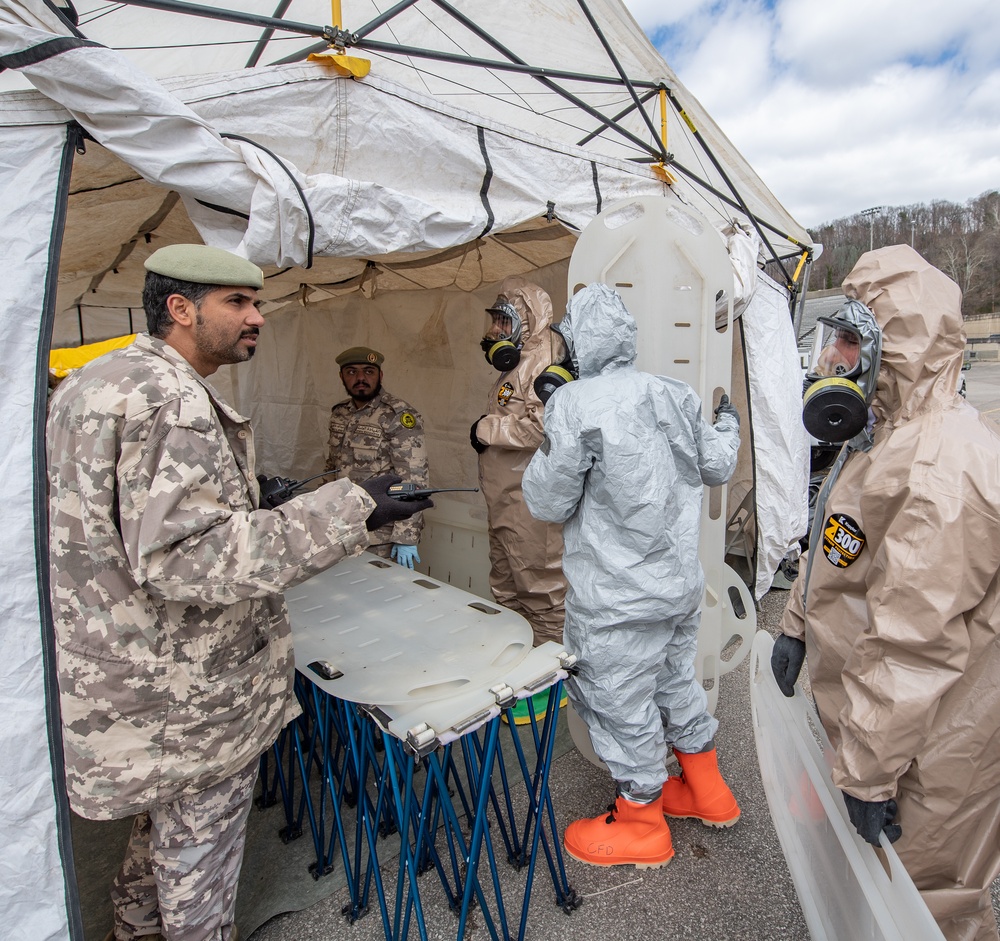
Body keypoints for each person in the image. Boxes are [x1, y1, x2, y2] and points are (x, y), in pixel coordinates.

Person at [46, 244, 428, 941]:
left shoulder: (96, 384)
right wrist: (348, 509)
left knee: (152, 847)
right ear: (181, 308)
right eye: (237, 303)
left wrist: (255, 501)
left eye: (256, 302)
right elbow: (191, 558)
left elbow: (122, 529)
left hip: (129, 686)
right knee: (198, 877)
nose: (257, 316)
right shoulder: (174, 403)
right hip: (187, 700)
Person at [771, 244, 1000, 941]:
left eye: (846, 341)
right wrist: (797, 621)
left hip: (935, 743)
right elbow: (839, 548)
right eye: (831, 339)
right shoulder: (884, 436)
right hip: (888, 729)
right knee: (875, 895)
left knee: (925, 899)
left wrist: (868, 771)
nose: (832, 358)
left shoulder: (940, 468)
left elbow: (913, 643)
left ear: (891, 345)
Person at [522, 282, 742, 868]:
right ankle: (705, 790)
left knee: (618, 700)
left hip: (616, 598)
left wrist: (548, 436)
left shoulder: (573, 404)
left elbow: (547, 502)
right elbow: (717, 464)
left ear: (576, 341)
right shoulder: (674, 393)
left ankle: (641, 820)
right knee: (674, 682)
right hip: (676, 589)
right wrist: (729, 425)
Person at [326, 346, 429, 567]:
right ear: (341, 376)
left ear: (380, 375)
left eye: (369, 371)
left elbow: (414, 478)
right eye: (352, 372)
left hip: (380, 533)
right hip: (341, 527)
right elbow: (331, 469)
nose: (361, 378)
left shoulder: (398, 415)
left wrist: (406, 537)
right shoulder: (340, 413)